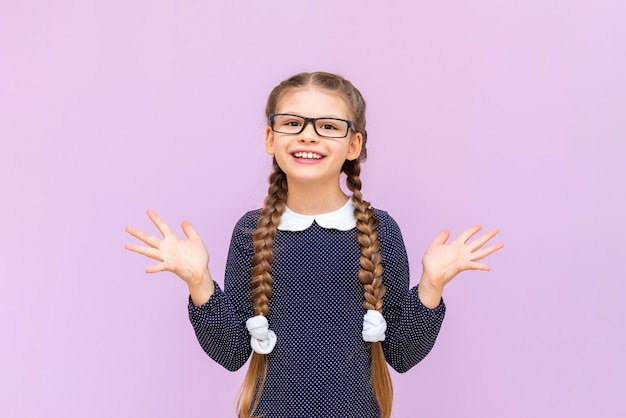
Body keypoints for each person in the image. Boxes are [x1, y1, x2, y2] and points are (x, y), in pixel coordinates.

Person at [124, 71, 504, 418]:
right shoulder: (251, 232)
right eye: (292, 123)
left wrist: (431, 286)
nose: (308, 135)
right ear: (271, 138)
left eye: (327, 126)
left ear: (354, 144)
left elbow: (401, 354)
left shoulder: (379, 230)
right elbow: (233, 352)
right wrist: (199, 282)